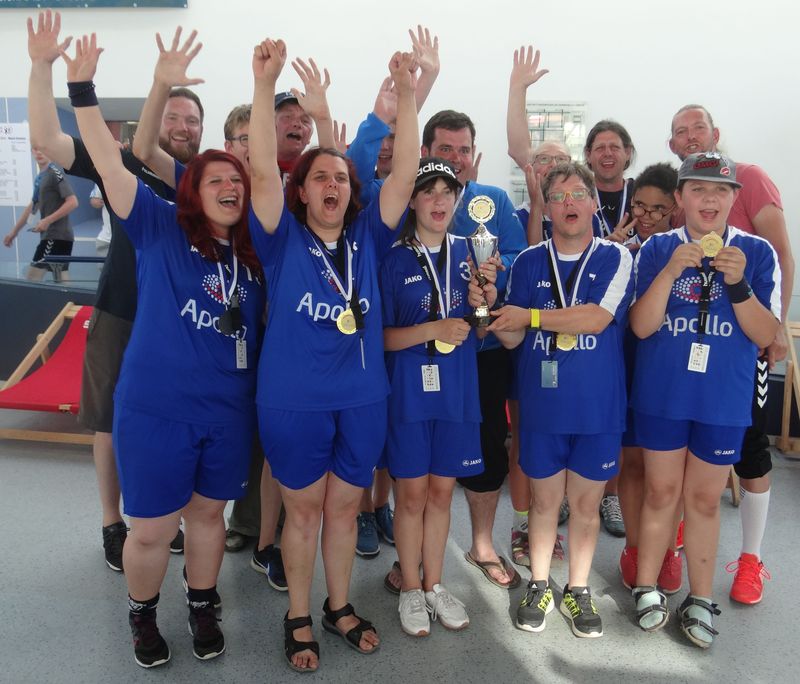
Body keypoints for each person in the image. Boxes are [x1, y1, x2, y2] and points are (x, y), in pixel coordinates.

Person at [62, 32, 266, 667]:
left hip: (226, 415)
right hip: (155, 412)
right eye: (215, 178)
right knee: (151, 528)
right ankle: (143, 614)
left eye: (237, 179)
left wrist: (266, 89)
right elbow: (109, 160)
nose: (230, 186)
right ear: (192, 191)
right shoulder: (158, 226)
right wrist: (82, 90)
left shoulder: (255, 254)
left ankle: (202, 602)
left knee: (207, 518)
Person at [247, 38, 419, 672]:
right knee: (302, 511)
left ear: (351, 192)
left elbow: (404, 173)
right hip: (294, 402)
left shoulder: (369, 238)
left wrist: (407, 96)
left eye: (341, 178)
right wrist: (264, 86)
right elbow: (261, 171)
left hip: (363, 399)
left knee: (345, 508)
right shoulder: (280, 239)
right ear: (301, 192)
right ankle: (298, 612)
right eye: (319, 177)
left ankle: (338, 606)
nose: (332, 185)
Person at [26, 12, 195, 570]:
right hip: (122, 310)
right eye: (172, 116)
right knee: (108, 421)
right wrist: (41, 67)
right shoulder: (118, 162)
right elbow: (48, 139)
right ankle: (111, 522)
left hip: (182, 324)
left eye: (192, 120)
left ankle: (164, 516)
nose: (182, 126)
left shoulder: (207, 183)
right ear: (154, 119)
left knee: (175, 421)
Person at [629, 152, 780, 648]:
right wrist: (670, 272)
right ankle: (647, 587)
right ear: (680, 197)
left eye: (720, 190)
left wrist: (738, 285)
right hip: (663, 395)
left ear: (734, 198)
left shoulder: (757, 253)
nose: (709, 199)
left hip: (722, 400)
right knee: (660, 492)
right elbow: (642, 326)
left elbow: (765, 334)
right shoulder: (657, 249)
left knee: (703, 500)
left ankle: (699, 597)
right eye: (697, 189)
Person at [489, 161, 633, 638]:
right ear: (546, 208)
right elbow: (513, 338)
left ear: (593, 203)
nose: (568, 203)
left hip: (597, 409)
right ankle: (538, 583)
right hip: (542, 406)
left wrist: (529, 317)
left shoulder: (615, 257)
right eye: (558, 197)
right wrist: (492, 312)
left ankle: (578, 587)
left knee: (587, 507)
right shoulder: (528, 262)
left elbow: (595, 318)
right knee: (545, 502)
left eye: (577, 194)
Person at [669, 105, 793, 605]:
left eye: (698, 127)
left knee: (751, 449)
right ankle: (677, 541)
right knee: (683, 450)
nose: (691, 136)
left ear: (716, 133)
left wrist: (776, 327)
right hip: (694, 348)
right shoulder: (684, 198)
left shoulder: (751, 178)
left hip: (744, 342)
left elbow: (782, 253)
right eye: (681, 132)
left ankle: (751, 559)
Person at [381, 157, 498, 636]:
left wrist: (483, 305)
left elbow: (483, 331)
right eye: (428, 191)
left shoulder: (472, 254)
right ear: (412, 200)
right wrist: (433, 329)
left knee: (442, 492)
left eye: (447, 192)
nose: (438, 200)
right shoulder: (393, 258)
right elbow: (381, 338)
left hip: (457, 391)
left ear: (458, 200)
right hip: (409, 391)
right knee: (411, 495)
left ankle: (434, 584)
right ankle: (410, 587)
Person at [415, 109, 526, 592]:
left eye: (464, 150)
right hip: (424, 352)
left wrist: (494, 274)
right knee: (421, 454)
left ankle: (482, 544)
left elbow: (517, 258)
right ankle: (415, 556)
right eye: (446, 149)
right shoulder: (414, 198)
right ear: (426, 152)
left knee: (487, 448)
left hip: (484, 351)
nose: (457, 159)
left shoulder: (493, 201)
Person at [610, 163, 685, 595]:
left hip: (669, 370)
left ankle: (669, 550)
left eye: (658, 209)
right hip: (627, 362)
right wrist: (610, 251)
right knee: (634, 462)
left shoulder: (685, 253)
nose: (647, 216)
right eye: (640, 206)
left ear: (676, 207)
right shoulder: (621, 252)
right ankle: (636, 548)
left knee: (669, 472)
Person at [3, 148, 78, 282]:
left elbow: (73, 202)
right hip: (53, 236)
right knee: (60, 278)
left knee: (32, 278)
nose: (39, 152)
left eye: (42, 149)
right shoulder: (41, 177)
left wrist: (48, 220)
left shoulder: (55, 173)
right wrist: (14, 232)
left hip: (56, 235)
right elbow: (32, 206)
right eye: (35, 149)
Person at [89, 183, 111, 259]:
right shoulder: (104, 179)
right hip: (107, 240)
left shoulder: (137, 179)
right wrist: (95, 201)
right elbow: (94, 200)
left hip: (131, 241)